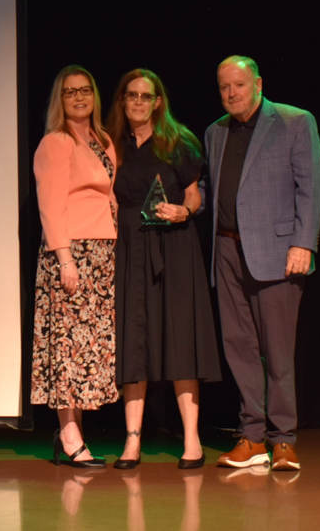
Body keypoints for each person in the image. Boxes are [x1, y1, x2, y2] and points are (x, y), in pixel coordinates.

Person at [203, 56, 320, 471]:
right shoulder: (215, 131)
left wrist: (303, 243)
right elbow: (213, 189)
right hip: (226, 251)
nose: (231, 93)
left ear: (258, 84)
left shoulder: (294, 121)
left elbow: (312, 187)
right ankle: (253, 437)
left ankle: (283, 439)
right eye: (224, 87)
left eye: (239, 85)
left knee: (277, 350)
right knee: (239, 348)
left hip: (277, 252)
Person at [106, 69, 221, 471]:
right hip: (129, 249)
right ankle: (132, 439)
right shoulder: (112, 145)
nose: (138, 102)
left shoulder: (178, 141)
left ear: (158, 102)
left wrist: (184, 211)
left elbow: (195, 196)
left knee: (180, 339)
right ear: (122, 100)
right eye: (131, 95)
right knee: (134, 341)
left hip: (174, 246)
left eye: (146, 96)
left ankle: (191, 439)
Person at [32, 65, 118, 468]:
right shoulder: (56, 142)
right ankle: (69, 435)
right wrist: (65, 258)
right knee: (68, 346)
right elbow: (50, 205)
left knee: (86, 349)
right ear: (60, 99)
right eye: (70, 92)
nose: (79, 97)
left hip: (102, 254)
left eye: (85, 90)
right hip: (72, 254)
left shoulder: (103, 140)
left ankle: (73, 432)